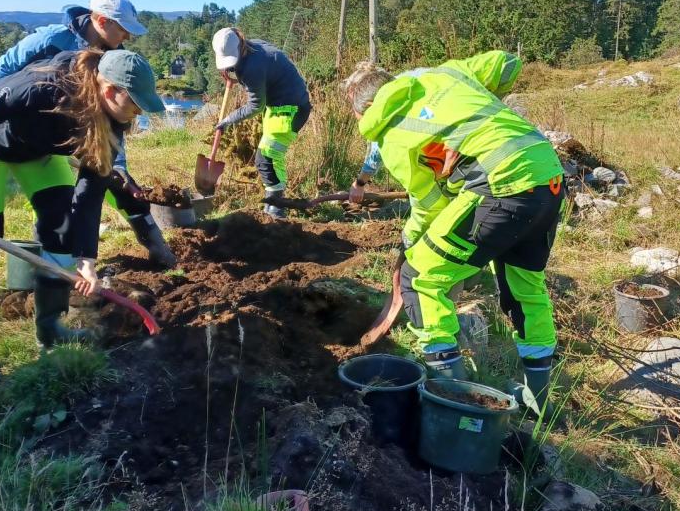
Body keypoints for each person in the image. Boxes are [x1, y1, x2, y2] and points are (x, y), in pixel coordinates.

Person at [0, 49, 164, 390]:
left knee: (62, 231)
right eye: (135, 105)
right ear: (110, 91)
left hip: (37, 154)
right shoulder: (41, 88)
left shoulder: (112, 121)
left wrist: (87, 260)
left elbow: (91, 192)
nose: (137, 115)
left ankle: (50, 330)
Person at [342, 51, 564, 411]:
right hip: (546, 173)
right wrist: (473, 123)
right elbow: (507, 64)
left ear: (360, 109)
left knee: (420, 278)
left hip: (499, 182)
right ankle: (539, 403)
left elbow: (430, 204)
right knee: (525, 289)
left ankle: (454, 400)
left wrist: (410, 242)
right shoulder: (445, 73)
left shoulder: (392, 137)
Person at [0, 0, 176, 267]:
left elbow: (112, 116)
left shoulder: (115, 57)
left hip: (83, 132)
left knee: (118, 183)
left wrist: (118, 164)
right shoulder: (51, 40)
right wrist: (11, 120)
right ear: (101, 21)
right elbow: (1, 74)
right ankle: (48, 268)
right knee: (56, 205)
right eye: (123, 29)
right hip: (36, 134)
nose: (127, 36)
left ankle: (158, 250)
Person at [211, 27, 311, 218]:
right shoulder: (252, 46)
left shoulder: (252, 68)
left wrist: (227, 120)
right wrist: (232, 72)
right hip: (283, 105)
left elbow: (255, 106)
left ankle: (276, 208)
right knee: (267, 157)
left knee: (268, 157)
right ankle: (272, 206)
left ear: (240, 47)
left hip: (289, 109)